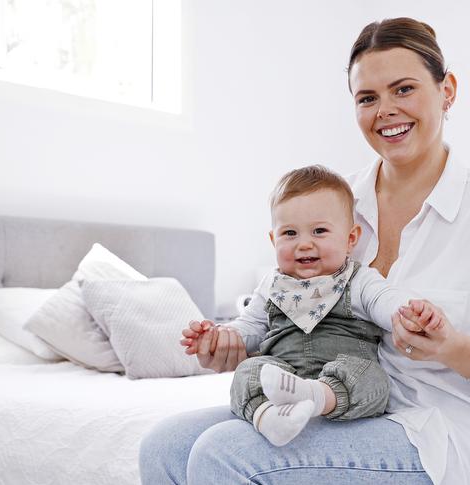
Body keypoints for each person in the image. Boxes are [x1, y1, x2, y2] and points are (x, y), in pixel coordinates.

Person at [139, 17, 470, 485]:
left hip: (442, 432)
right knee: (165, 446)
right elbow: (292, 316)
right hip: (334, 403)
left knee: (225, 455)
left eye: (403, 89)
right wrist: (234, 347)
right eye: (368, 98)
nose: (385, 110)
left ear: (447, 90)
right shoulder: (335, 206)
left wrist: (454, 348)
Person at [182, 165, 443, 447]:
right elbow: (250, 326)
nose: (304, 244)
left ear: (350, 239)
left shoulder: (357, 279)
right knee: (249, 371)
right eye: (290, 233)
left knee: (372, 378)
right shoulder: (272, 284)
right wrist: (221, 336)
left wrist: (408, 312)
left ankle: (314, 395)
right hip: (279, 377)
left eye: (319, 231)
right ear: (273, 239)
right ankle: (270, 418)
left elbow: (384, 300)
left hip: (338, 387)